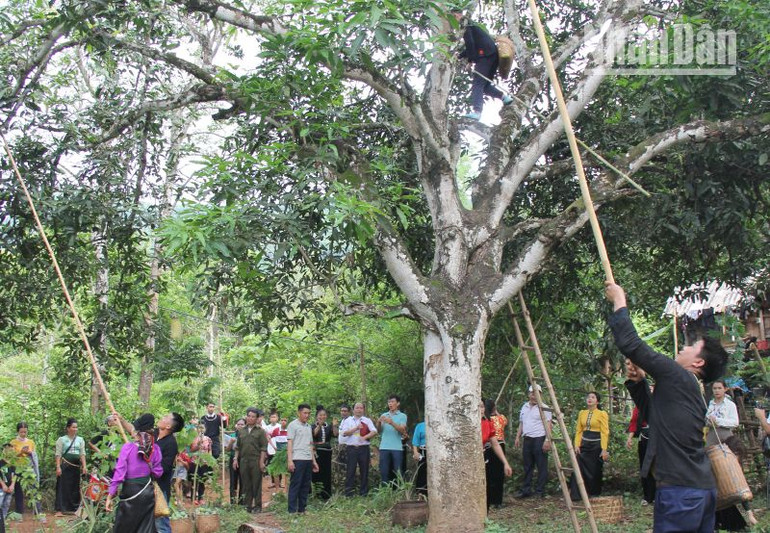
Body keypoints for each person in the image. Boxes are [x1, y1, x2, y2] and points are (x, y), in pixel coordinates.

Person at [606, 282, 728, 532]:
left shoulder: (678, 376)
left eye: (691, 346)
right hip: (698, 491)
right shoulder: (690, 388)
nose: (684, 347)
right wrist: (638, 382)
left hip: (681, 493)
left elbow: (631, 344)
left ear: (698, 361)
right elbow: (655, 416)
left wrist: (619, 300)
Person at [105, 414, 163, 533]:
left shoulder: (128, 448)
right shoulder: (155, 449)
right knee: (146, 528)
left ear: (136, 433)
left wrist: (110, 495)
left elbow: (119, 474)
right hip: (147, 492)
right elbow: (158, 473)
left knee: (125, 527)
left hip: (130, 492)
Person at [453, 10, 513, 120]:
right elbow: (474, 45)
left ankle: (477, 112)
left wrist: (470, 61)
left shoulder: (467, 26)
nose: (454, 18)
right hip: (492, 56)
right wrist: (460, 56)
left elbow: (470, 44)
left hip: (485, 56)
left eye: (454, 15)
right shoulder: (473, 27)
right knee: (484, 86)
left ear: (460, 15)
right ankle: (504, 97)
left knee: (477, 84)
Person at [569, 391, 609, 500]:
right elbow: (578, 430)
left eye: (593, 397)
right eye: (588, 397)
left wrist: (604, 449)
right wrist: (577, 445)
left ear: (597, 401)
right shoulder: (582, 413)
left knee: (595, 469)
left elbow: (605, 432)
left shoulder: (602, 414)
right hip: (584, 444)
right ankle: (577, 495)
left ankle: (594, 493)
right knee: (578, 467)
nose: (589, 399)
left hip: (596, 445)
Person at [514, 385, 552, 499]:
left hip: (539, 438)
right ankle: (526, 489)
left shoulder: (544, 408)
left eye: (537, 393)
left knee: (541, 465)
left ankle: (539, 491)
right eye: (532, 393)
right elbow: (522, 423)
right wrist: (517, 437)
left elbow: (549, 425)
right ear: (528, 394)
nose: (534, 396)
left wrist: (547, 440)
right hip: (527, 439)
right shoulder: (524, 406)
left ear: (540, 394)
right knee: (527, 465)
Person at [339, 402, 377, 496]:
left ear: (363, 410)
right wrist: (356, 428)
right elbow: (344, 433)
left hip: (364, 448)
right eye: (357, 408)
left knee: (364, 471)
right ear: (353, 409)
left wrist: (364, 437)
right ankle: (349, 493)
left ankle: (363, 493)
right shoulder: (348, 420)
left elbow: (374, 431)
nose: (359, 409)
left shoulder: (367, 420)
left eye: (361, 408)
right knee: (350, 470)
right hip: (351, 448)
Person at [481, 399, 513, 510]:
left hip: (491, 447)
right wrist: (496, 411)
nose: (480, 409)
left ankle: (489, 502)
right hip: (493, 447)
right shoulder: (500, 418)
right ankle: (496, 500)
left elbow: (494, 443)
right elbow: (505, 421)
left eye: (482, 407)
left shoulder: (489, 422)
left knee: (490, 475)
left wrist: (506, 463)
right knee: (496, 475)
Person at [154, 412, 184, 533]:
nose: (162, 417)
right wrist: (122, 421)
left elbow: (165, 468)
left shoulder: (171, 443)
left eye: (166, 417)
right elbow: (134, 432)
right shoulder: (153, 434)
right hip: (146, 486)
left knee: (161, 524)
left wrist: (148, 466)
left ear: (168, 426)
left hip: (160, 488)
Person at [234, 407, 268, 513]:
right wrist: (235, 459)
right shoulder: (241, 431)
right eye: (249, 416)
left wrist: (261, 462)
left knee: (256, 484)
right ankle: (247, 506)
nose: (250, 418)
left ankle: (257, 506)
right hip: (243, 461)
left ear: (257, 418)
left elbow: (263, 448)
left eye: (253, 416)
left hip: (256, 460)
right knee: (245, 484)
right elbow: (237, 447)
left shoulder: (261, 432)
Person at [287, 404, 319, 513]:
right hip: (297, 459)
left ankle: (302, 509)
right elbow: (290, 443)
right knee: (296, 484)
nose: (307, 415)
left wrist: (314, 461)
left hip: (308, 460)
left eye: (309, 413)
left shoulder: (308, 426)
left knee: (306, 485)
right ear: (299, 413)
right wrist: (290, 460)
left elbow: (310, 444)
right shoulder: (292, 425)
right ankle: (292, 510)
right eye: (305, 413)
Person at [625, 391, 655, 505]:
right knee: (644, 466)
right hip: (644, 437)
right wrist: (629, 438)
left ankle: (657, 495)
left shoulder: (660, 404)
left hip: (657, 439)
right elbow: (633, 423)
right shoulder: (639, 406)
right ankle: (647, 496)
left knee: (656, 466)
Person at [54, 418, 87, 516]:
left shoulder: (80, 440)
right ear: (68, 428)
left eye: (76, 427)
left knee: (74, 487)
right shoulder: (62, 440)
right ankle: (60, 509)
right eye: (73, 427)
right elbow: (58, 454)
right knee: (62, 487)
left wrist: (84, 466)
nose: (75, 429)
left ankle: (73, 509)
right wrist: (58, 467)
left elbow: (82, 454)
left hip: (76, 467)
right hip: (65, 465)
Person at [376, 395, 408, 486]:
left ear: (398, 403)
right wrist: (378, 422)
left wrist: (392, 422)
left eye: (392, 402)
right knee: (384, 472)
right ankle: (385, 493)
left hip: (397, 448)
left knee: (398, 472)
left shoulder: (402, 416)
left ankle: (401, 493)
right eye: (389, 402)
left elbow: (402, 430)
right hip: (384, 447)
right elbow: (378, 431)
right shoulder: (384, 415)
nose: (390, 404)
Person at [9, 422, 40, 516]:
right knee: (18, 490)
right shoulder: (13, 442)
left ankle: (38, 512)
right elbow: (10, 457)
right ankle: (19, 512)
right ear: (18, 431)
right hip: (17, 468)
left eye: (25, 432)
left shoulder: (31, 442)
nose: (23, 434)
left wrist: (30, 452)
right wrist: (21, 452)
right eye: (21, 432)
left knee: (34, 488)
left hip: (29, 469)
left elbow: (34, 455)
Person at [705, 379, 739, 446]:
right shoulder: (710, 404)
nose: (717, 390)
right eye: (714, 388)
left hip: (726, 435)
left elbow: (735, 423)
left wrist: (717, 421)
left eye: (719, 388)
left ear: (725, 389)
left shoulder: (730, 405)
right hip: (711, 434)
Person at [311, 406, 333, 499]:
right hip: (317, 451)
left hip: (328, 452)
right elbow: (313, 434)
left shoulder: (328, 426)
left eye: (324, 415)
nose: (322, 417)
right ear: (317, 416)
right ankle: (316, 493)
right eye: (320, 415)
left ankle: (326, 494)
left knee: (327, 472)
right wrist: (319, 425)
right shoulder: (312, 426)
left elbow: (335, 434)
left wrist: (334, 425)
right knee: (317, 471)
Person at [190, 424, 213, 505]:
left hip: (204, 463)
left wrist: (209, 460)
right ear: (197, 429)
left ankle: (200, 498)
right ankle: (193, 498)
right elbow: (192, 450)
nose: (201, 429)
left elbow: (210, 450)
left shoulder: (208, 439)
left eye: (202, 428)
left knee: (202, 480)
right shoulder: (194, 439)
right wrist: (198, 444)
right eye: (199, 428)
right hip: (195, 462)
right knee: (194, 480)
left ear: (205, 429)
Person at [226, 418, 245, 503]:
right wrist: (230, 442)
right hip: (233, 459)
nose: (240, 426)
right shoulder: (232, 435)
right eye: (238, 424)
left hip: (244, 460)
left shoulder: (247, 435)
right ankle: (232, 502)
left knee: (243, 481)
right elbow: (227, 449)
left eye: (242, 424)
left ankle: (241, 502)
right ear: (236, 425)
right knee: (233, 481)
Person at [271, 416, 289, 489]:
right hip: (277, 453)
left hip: (287, 454)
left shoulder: (289, 430)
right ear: (280, 421)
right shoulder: (276, 430)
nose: (283, 421)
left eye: (285, 420)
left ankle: (286, 490)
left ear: (287, 422)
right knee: (276, 471)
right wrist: (273, 447)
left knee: (287, 472)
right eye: (282, 420)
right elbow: (270, 438)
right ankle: (277, 489)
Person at [263, 411, 279, 489]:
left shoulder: (280, 426)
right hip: (270, 448)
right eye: (272, 417)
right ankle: (273, 482)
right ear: (269, 419)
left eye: (274, 417)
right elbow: (266, 439)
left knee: (279, 465)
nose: (273, 419)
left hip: (278, 448)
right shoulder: (267, 428)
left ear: (277, 418)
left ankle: (279, 482)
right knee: (272, 464)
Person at [411, 421, 427, 497]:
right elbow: (415, 440)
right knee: (422, 471)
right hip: (423, 450)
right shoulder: (420, 426)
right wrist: (415, 452)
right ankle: (421, 494)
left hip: (435, 451)